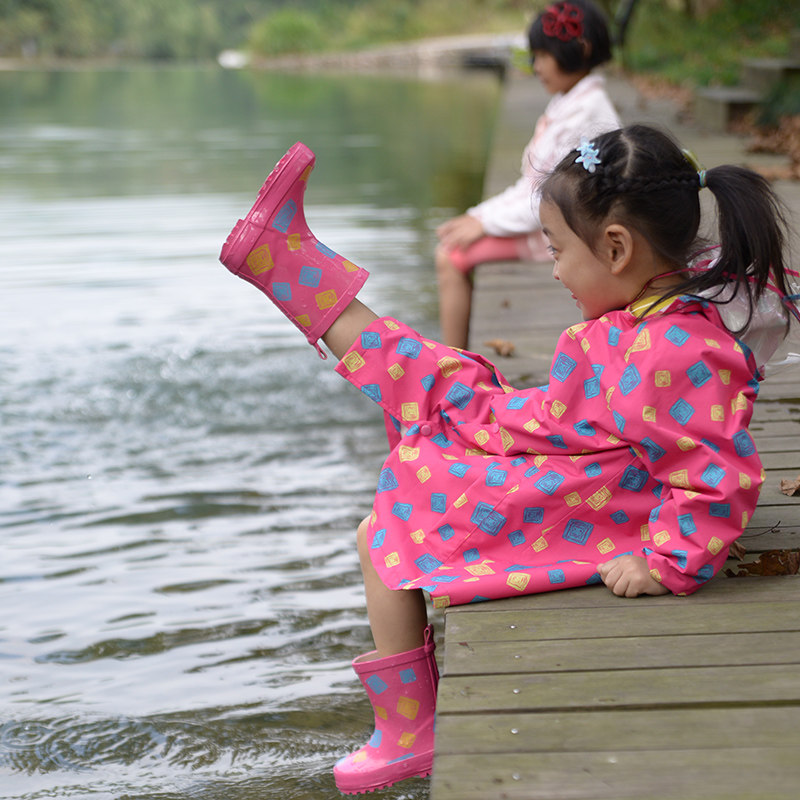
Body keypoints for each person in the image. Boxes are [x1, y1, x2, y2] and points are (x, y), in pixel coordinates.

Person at [217, 126, 797, 794]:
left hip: (599, 500)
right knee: (443, 387)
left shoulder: (674, 348)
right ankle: (287, 264)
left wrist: (667, 562)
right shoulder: (667, 303)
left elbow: (716, 473)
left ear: (616, 248)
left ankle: (410, 733)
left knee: (385, 530)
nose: (552, 269)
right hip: (577, 450)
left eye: (557, 250)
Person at [435, 0, 621, 349]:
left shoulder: (590, 115)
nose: (535, 66)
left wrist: (484, 225)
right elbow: (532, 185)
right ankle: (456, 359)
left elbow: (550, 199)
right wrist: (478, 216)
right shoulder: (569, 101)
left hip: (559, 232)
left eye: (542, 56)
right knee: (454, 243)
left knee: (450, 256)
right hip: (547, 222)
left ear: (578, 49)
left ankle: (453, 364)